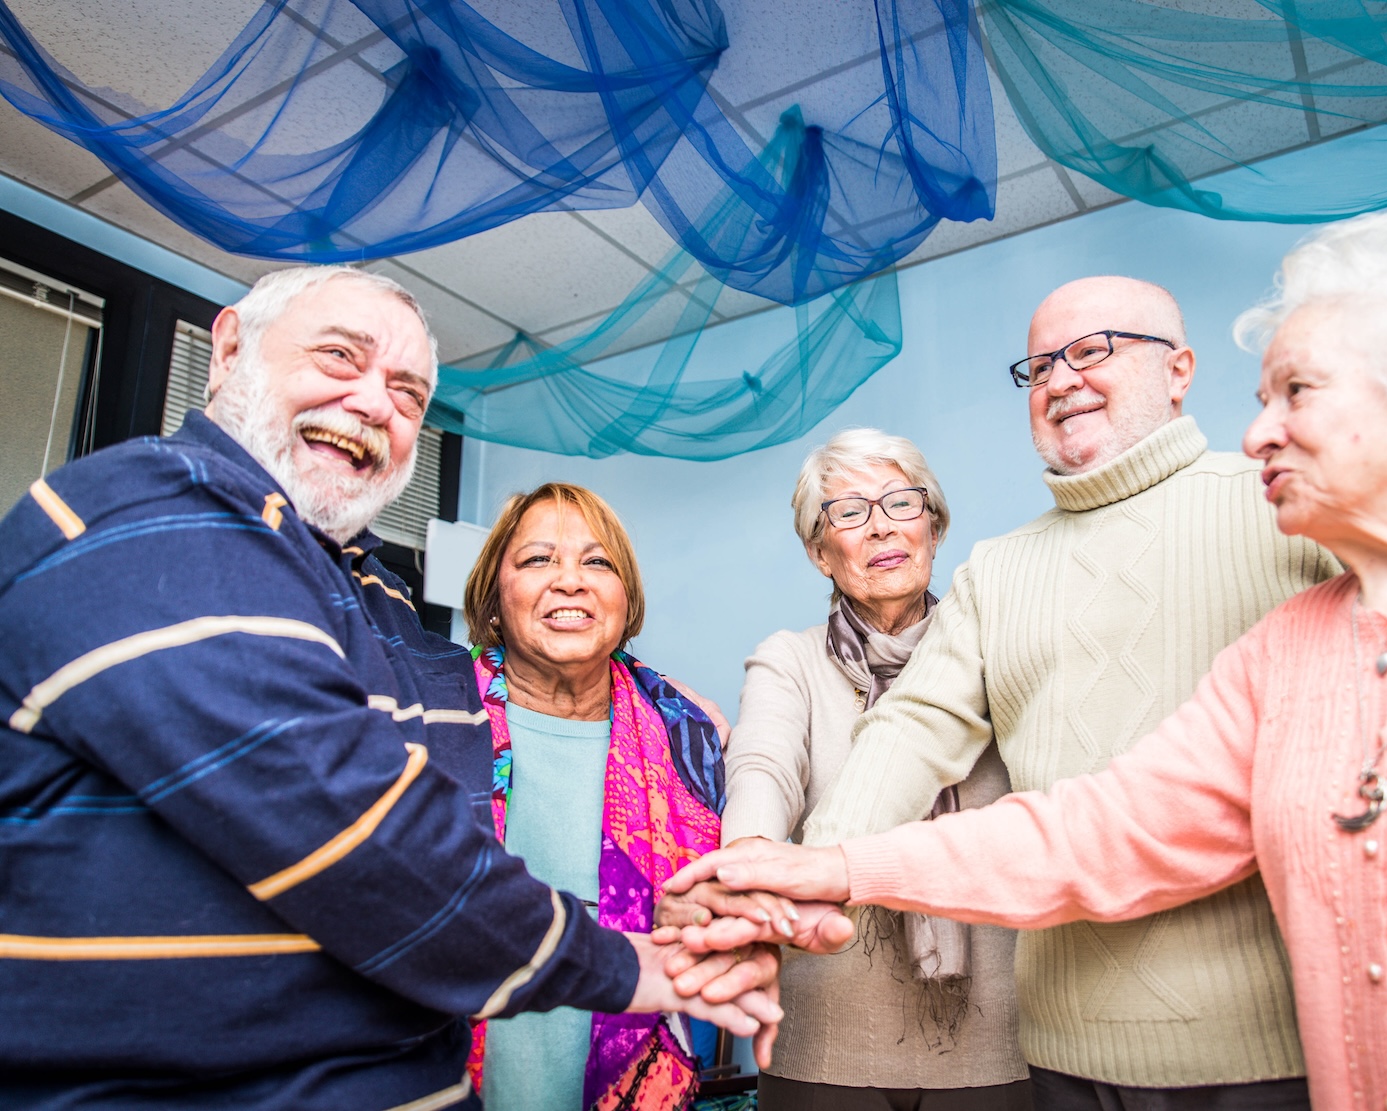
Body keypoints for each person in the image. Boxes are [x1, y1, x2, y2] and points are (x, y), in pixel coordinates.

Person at [667, 212, 1387, 1111]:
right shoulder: (1286, 654)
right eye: (1038, 365)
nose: (1257, 429)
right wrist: (820, 868)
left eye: (1296, 391)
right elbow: (1097, 828)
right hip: (1087, 1051)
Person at [0, 265, 779, 1110]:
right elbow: (357, 824)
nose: (375, 403)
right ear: (227, 351)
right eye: (339, 356)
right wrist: (634, 963)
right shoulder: (156, 509)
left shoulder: (377, 598)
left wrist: (667, 713)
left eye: (408, 393)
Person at [670, 274, 1338, 1107]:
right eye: (1039, 367)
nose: (1061, 380)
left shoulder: (1289, 503)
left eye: (1091, 350)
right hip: (1060, 1054)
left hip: (1267, 1046)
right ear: (818, 548)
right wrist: (783, 883)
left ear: (1180, 370)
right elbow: (903, 733)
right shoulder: (998, 573)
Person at [662, 429, 1031, 1109]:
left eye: (901, 502)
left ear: (935, 526)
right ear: (818, 551)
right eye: (850, 512)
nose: (881, 526)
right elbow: (762, 767)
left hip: (993, 1043)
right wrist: (749, 868)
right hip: (824, 1041)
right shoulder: (790, 659)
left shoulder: (998, 649)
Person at [461, 481, 741, 1110]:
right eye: (538, 559)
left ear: (626, 599)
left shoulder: (688, 740)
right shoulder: (437, 719)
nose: (571, 581)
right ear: (495, 598)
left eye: (597, 562)